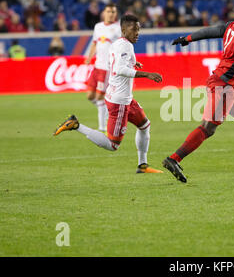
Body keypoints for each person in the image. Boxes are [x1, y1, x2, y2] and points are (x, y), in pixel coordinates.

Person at [162, 5, 234, 183]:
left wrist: (188, 38)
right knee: (208, 128)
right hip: (223, 86)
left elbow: (212, 31)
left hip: (229, 86)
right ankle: (173, 159)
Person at [54, 14, 163, 174]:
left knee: (145, 125)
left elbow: (113, 63)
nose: (137, 33)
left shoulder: (118, 43)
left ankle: (143, 165)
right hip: (119, 101)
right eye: (134, 29)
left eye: (139, 29)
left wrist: (133, 62)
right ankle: (76, 125)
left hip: (125, 98)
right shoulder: (124, 46)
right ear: (124, 29)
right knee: (113, 145)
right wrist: (147, 74)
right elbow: (119, 69)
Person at [84, 3, 121, 133]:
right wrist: (89, 58)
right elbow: (95, 43)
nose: (111, 14)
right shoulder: (98, 27)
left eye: (113, 12)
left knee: (100, 97)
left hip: (107, 68)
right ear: (104, 13)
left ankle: (102, 126)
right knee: (90, 96)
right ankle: (105, 111)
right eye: (109, 11)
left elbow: (121, 46)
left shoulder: (117, 28)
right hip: (97, 66)